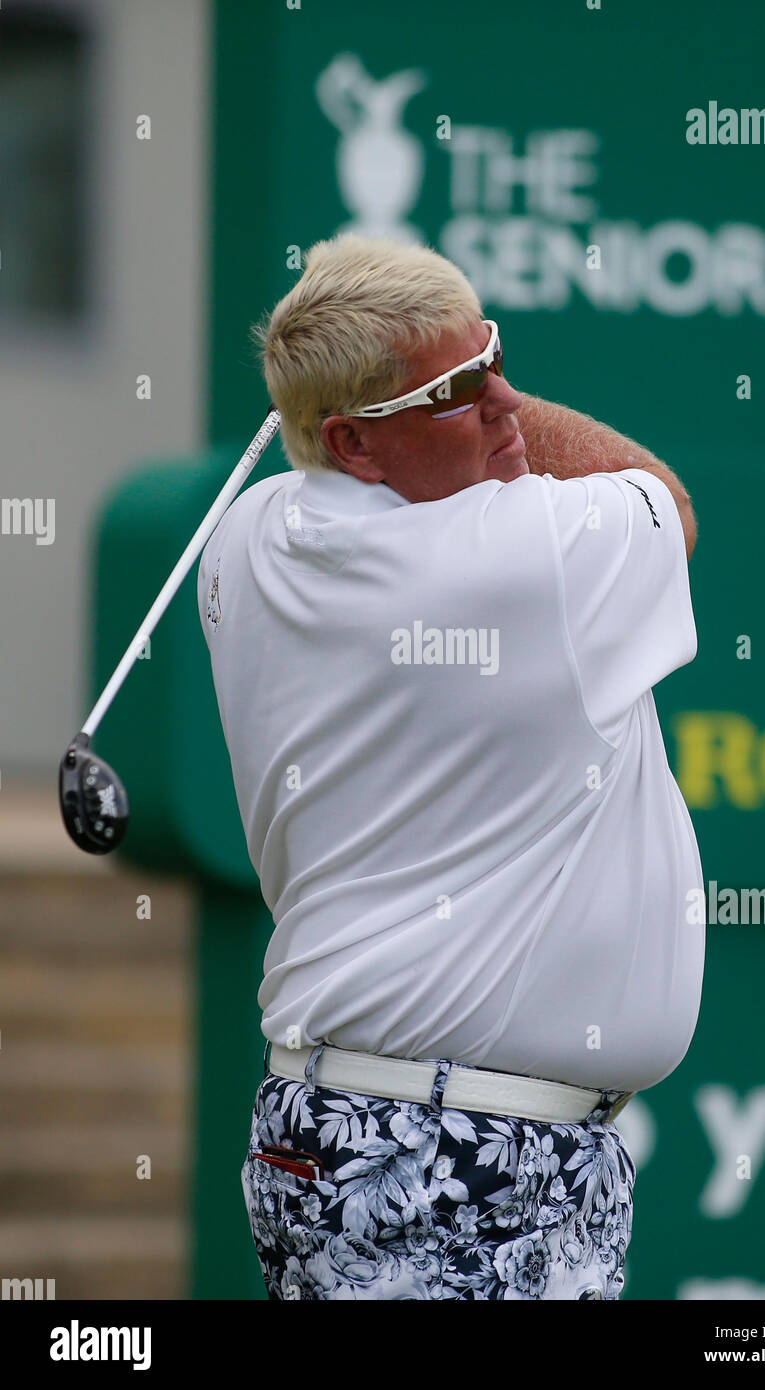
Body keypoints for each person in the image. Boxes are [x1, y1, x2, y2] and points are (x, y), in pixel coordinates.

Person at [197, 233, 705, 1301]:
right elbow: (661, 494)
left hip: (356, 1124)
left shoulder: (245, 534)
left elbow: (347, 473)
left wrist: (436, 387)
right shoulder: (525, 561)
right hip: (456, 1152)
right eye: (460, 389)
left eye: (496, 360)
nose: (505, 404)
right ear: (355, 442)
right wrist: (487, 412)